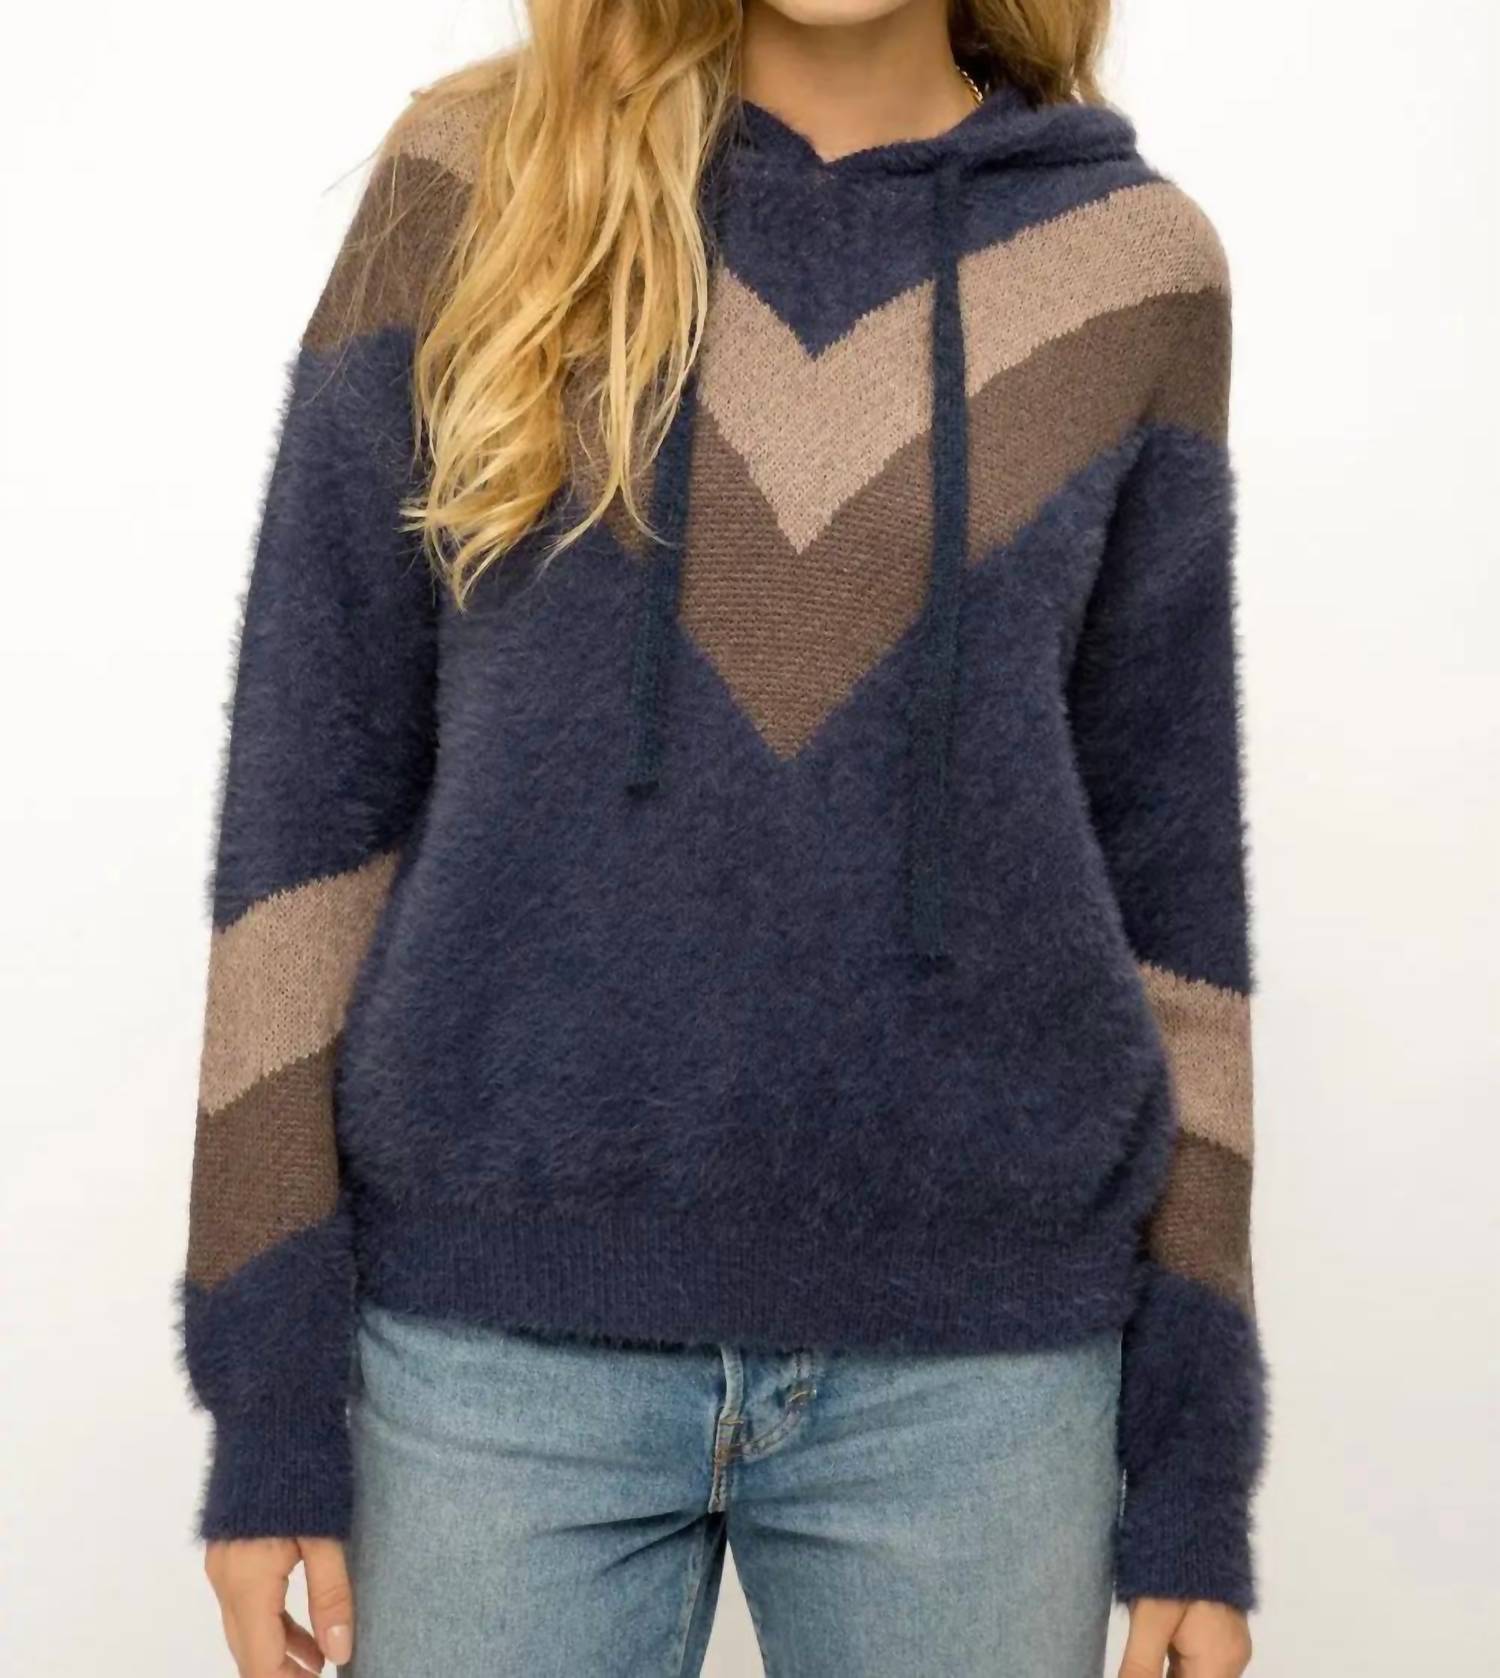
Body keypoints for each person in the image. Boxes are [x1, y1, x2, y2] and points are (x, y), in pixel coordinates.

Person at [183, 2, 1266, 1673]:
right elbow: (307, 799)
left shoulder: (1128, 266)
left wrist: (1195, 1461)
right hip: (494, 1355)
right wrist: (265, 1395)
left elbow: (1173, 880)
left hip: (976, 1374)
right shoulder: (480, 185)